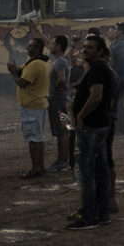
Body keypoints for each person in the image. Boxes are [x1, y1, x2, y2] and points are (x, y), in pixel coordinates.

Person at [68, 35, 116, 229]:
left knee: (87, 172)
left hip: (91, 127)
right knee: (100, 170)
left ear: (100, 51)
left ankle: (89, 216)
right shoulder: (100, 68)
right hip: (100, 125)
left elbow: (96, 97)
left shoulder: (97, 69)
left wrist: (80, 116)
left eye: (90, 47)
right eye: (85, 46)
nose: (85, 50)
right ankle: (102, 213)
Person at [7, 37, 50, 178]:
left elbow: (23, 83)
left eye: (30, 46)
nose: (27, 48)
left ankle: (36, 168)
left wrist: (13, 73)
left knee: (33, 139)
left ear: (37, 49)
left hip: (31, 105)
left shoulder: (35, 64)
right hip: (39, 104)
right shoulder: (41, 62)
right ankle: (40, 167)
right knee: (39, 138)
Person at [47, 35, 72, 171]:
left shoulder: (60, 62)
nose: (50, 45)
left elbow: (61, 79)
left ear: (58, 46)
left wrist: (56, 87)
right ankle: (64, 160)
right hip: (63, 99)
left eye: (52, 43)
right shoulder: (61, 59)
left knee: (61, 132)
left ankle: (62, 162)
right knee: (65, 131)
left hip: (57, 100)